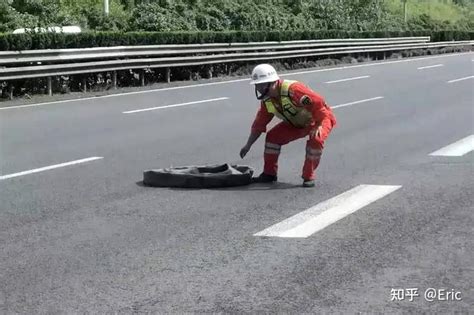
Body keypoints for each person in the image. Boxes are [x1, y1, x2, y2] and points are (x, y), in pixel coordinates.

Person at [239, 64, 337, 187]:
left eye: (262, 85)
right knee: (272, 138)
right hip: (297, 122)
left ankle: (308, 176)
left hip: (320, 118)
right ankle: (269, 174)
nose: (259, 89)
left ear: (273, 83)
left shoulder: (294, 90)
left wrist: (318, 125)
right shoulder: (267, 100)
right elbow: (259, 124)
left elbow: (319, 105)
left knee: (316, 139)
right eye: (257, 85)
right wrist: (248, 145)